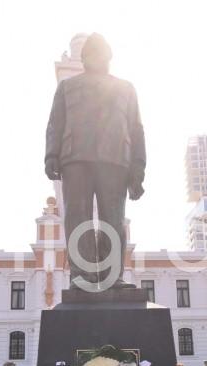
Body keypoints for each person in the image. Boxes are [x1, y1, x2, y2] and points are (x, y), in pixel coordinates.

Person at [44, 33, 146, 290]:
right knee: (77, 219)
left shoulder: (125, 88)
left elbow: (136, 129)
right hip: (75, 159)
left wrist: (138, 168)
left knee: (113, 219)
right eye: (91, 53)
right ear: (84, 58)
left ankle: (112, 278)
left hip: (115, 161)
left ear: (109, 57)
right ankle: (82, 276)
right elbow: (55, 123)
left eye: (101, 52)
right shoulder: (67, 87)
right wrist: (51, 155)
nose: (97, 57)